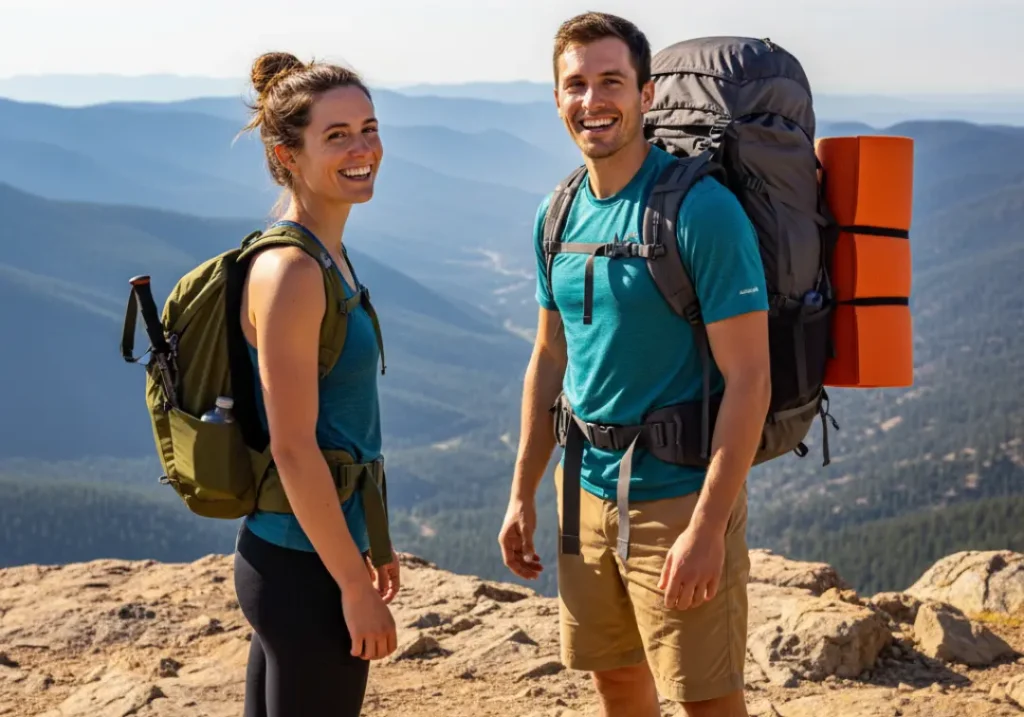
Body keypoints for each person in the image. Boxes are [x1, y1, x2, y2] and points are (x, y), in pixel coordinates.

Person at [498, 12, 771, 717]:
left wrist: (709, 527)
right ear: (557, 99)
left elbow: (750, 378)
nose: (593, 101)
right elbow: (550, 355)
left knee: (707, 699)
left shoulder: (702, 213)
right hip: (581, 491)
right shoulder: (555, 214)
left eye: (611, 82)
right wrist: (523, 490)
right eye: (576, 85)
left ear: (646, 95)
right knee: (617, 680)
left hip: (675, 497)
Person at [231, 51, 401, 717]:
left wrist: (369, 546)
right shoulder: (294, 272)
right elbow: (295, 447)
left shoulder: (326, 255)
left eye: (369, 127)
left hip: (304, 557)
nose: (364, 148)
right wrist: (352, 586)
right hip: (303, 569)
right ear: (287, 154)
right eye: (337, 136)